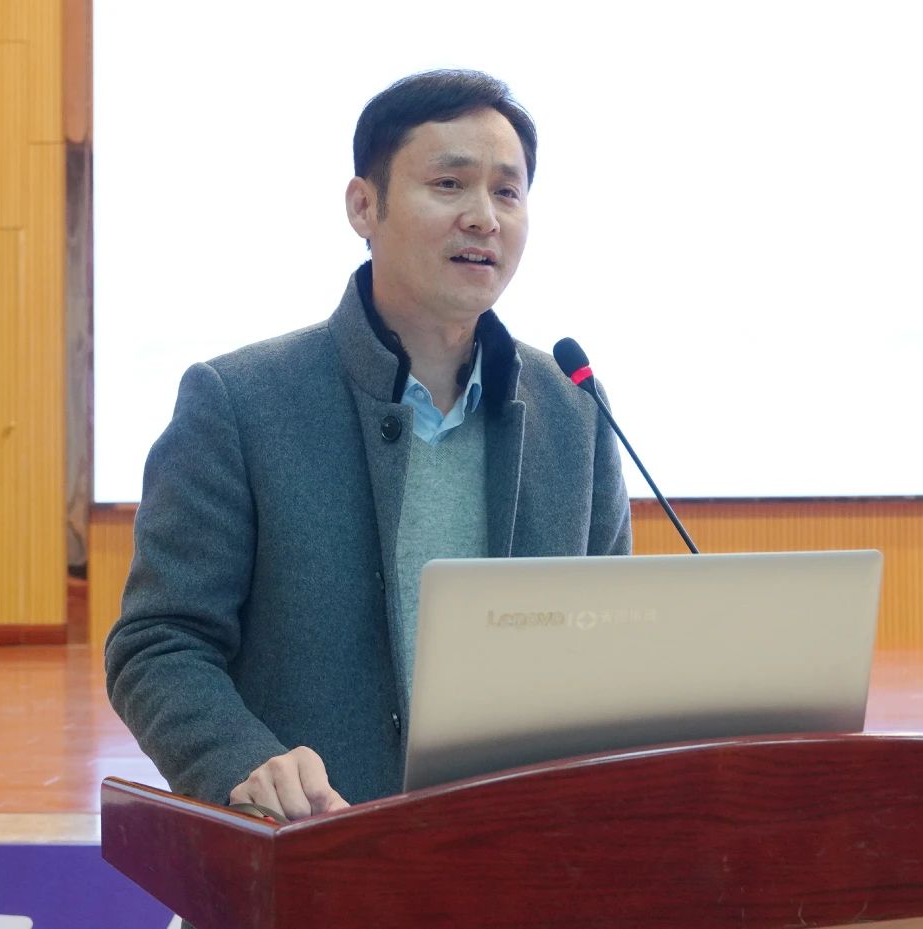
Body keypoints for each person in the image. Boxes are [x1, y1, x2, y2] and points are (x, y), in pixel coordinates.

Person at [104, 70, 632, 822]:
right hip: (318, 844)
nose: (483, 218)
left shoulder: (575, 411)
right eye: (449, 184)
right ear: (363, 206)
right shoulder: (239, 402)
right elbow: (159, 642)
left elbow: (608, 647)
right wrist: (243, 761)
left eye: (507, 192)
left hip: (522, 849)